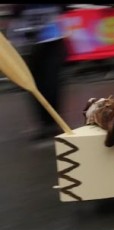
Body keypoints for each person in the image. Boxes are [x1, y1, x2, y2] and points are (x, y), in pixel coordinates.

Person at [8, 4, 68, 140]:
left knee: (51, 84)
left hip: (51, 41)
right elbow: (16, 13)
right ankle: (44, 124)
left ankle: (53, 122)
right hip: (28, 43)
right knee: (34, 86)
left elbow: (63, 8)